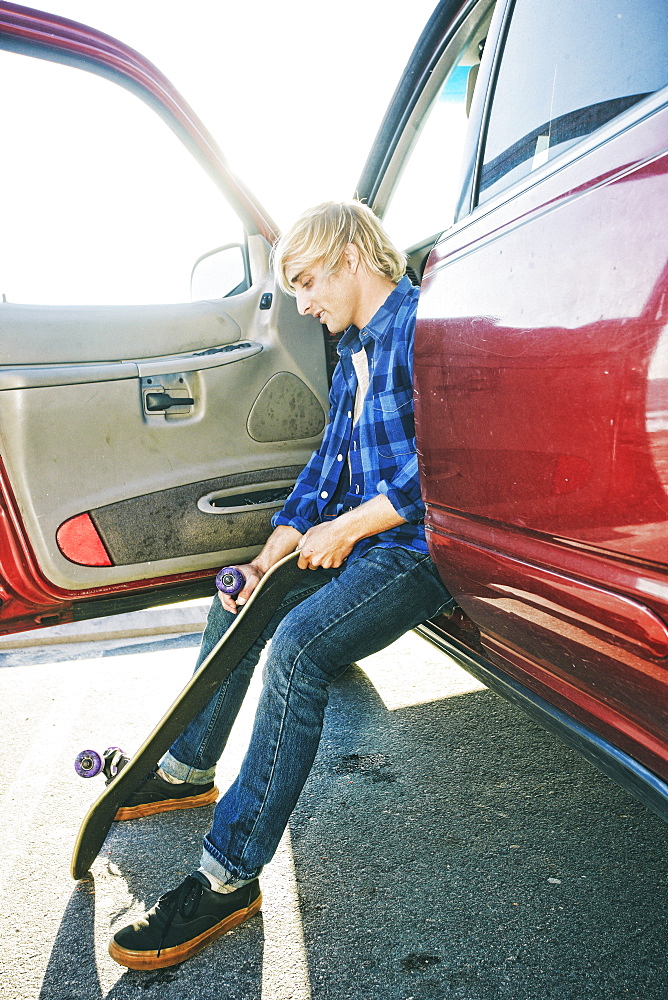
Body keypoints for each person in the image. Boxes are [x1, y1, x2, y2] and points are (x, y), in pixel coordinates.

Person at [108, 200, 453, 971]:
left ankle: (228, 877)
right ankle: (188, 767)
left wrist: (352, 527)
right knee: (239, 603)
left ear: (351, 255)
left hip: (418, 552)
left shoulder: (422, 332)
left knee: (297, 648)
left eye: (305, 281)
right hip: (364, 542)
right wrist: (273, 556)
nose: (301, 303)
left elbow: (445, 467)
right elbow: (323, 471)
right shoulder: (355, 351)